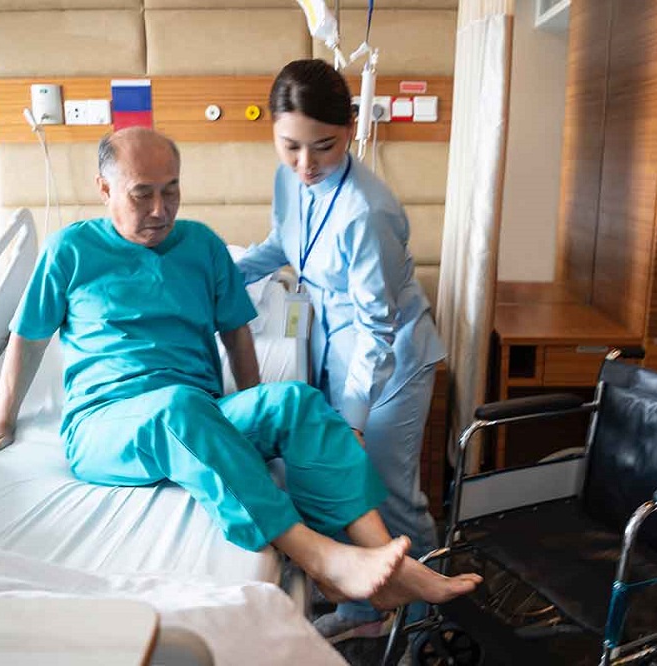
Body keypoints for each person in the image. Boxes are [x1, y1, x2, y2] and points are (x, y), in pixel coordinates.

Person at [0, 126, 479, 612]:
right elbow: (27, 338)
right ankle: (319, 557)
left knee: (296, 401)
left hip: (201, 412)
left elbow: (237, 331)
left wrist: (253, 402)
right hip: (107, 425)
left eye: (171, 191)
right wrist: (4, 417)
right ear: (104, 188)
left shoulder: (202, 245)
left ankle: (387, 562)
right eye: (142, 194)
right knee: (177, 406)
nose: (160, 210)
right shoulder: (70, 251)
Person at [237, 59, 448, 641]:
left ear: (351, 129)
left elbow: (379, 327)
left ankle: (426, 624)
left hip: (392, 360)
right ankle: (364, 613)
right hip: (334, 345)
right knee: (339, 485)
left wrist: (353, 419)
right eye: (291, 147)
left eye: (324, 147)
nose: (306, 164)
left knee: (391, 496)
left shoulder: (367, 210)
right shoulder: (289, 181)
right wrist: (219, 274)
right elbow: (283, 245)